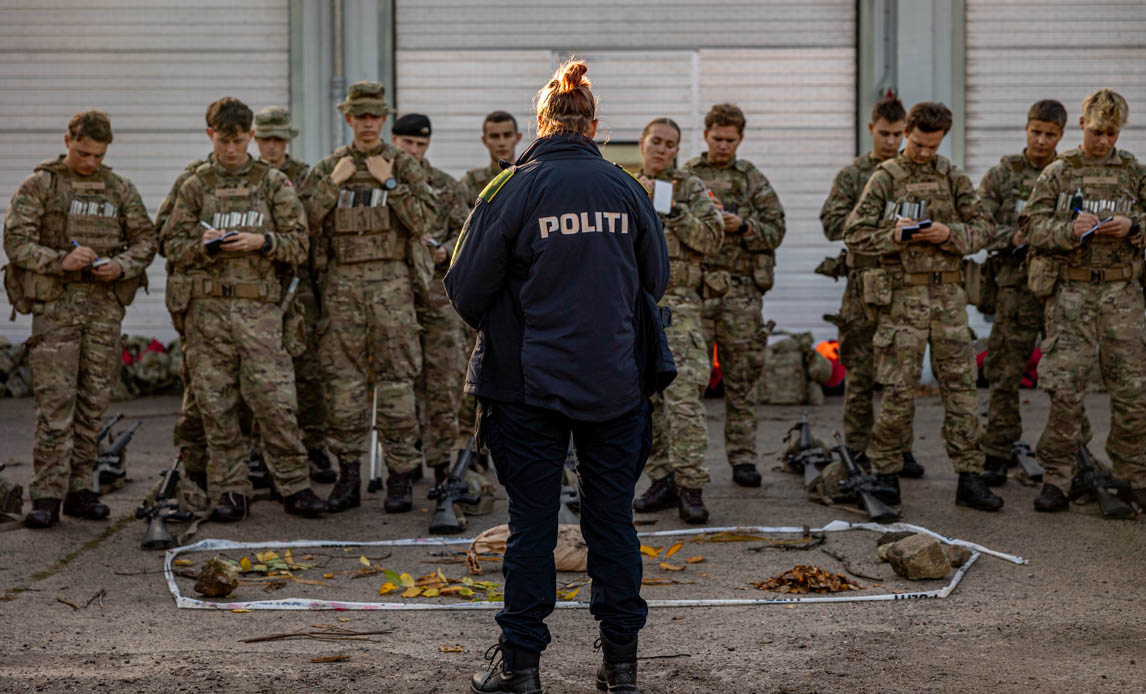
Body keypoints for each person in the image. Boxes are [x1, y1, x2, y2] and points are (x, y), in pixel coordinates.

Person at [445, 60, 668, 694]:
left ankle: (521, 669)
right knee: (613, 524)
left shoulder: (510, 188)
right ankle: (620, 667)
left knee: (533, 525)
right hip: (616, 384)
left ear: (542, 122)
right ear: (594, 125)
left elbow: (464, 288)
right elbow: (656, 281)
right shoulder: (626, 188)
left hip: (526, 389)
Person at [164, 96, 327, 521]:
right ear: (210, 137)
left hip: (260, 313)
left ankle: (294, 484)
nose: (232, 149)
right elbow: (169, 243)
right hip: (208, 312)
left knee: (275, 402)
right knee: (216, 406)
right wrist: (202, 245)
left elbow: (300, 243)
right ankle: (232, 490)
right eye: (223, 141)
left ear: (251, 138)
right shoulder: (195, 185)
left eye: (239, 141)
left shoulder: (273, 182)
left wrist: (262, 242)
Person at [844, 101, 1003, 513]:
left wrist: (949, 233)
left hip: (949, 299)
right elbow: (854, 234)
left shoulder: (952, 177)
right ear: (907, 133)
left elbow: (986, 228)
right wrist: (894, 236)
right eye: (917, 144)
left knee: (962, 390)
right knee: (897, 390)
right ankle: (884, 474)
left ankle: (970, 476)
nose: (923, 153)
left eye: (932, 147)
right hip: (902, 300)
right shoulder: (885, 177)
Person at [4, 111, 156, 528]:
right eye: (83, 153)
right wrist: (60, 260)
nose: (90, 162)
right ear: (68, 139)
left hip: (104, 311)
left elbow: (147, 239)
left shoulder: (119, 188)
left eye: (98, 156)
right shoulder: (42, 186)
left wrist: (122, 266)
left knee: (93, 402)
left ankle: (80, 489)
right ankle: (47, 494)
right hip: (57, 311)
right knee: (55, 405)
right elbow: (16, 241)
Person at [298, 82, 436, 514]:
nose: (369, 123)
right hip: (342, 289)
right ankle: (348, 478)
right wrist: (330, 187)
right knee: (344, 386)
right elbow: (300, 224)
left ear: (384, 119)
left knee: (397, 384)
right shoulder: (328, 168)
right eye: (361, 116)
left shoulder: (401, 166)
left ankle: (399, 479)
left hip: (391, 288)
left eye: (376, 115)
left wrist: (390, 182)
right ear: (349, 119)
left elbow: (423, 222)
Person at [1021, 88, 1146, 513]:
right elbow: (1031, 228)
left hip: (1122, 294)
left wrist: (1133, 226)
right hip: (1071, 292)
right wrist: (1068, 231)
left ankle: (1133, 476)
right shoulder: (1060, 171)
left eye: (1111, 134)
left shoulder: (1133, 171)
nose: (1103, 141)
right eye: (1096, 132)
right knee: (1065, 388)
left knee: (1132, 389)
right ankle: (1059, 477)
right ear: (1081, 125)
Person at [977, 99, 1081, 487]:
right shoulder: (1003, 175)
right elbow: (979, 225)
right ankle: (997, 452)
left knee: (1065, 376)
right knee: (1003, 373)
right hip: (1014, 288)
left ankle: (1072, 455)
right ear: (1026, 128)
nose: (1041, 140)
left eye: (1049, 134)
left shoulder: (1071, 173)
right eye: (1035, 131)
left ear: (1061, 135)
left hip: (1061, 289)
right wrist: (1013, 236)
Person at [819, 97, 925, 479]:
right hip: (863, 285)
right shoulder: (853, 175)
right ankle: (857, 447)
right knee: (860, 372)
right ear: (871, 130)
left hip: (904, 285)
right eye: (884, 133)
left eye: (898, 135)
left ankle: (901, 448)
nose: (891, 142)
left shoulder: (915, 172)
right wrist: (874, 216)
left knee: (902, 374)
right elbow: (831, 224)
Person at [683, 103, 785, 489]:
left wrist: (743, 225)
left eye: (731, 140)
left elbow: (776, 228)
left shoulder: (751, 179)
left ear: (740, 139)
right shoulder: (688, 177)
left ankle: (743, 458)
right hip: (697, 291)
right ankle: (689, 464)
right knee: (690, 382)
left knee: (741, 380)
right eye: (717, 138)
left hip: (740, 294)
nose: (723, 145)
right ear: (706, 135)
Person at [631, 117, 724, 523]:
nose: (662, 150)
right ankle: (662, 478)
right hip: (635, 308)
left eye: (670, 144)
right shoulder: (623, 187)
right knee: (642, 402)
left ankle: (690, 485)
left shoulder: (689, 188)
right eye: (656, 142)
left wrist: (671, 208)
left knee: (684, 399)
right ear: (642, 143)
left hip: (680, 309)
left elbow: (712, 238)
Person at [253, 105, 336, 484]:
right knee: (261, 374)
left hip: (301, 286)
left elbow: (316, 226)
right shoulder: (248, 178)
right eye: (266, 139)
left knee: (308, 371)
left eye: (278, 140)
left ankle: (314, 445)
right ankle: (260, 449)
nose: (272, 147)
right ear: (256, 140)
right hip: (258, 288)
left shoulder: (305, 176)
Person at [390, 112, 471, 483]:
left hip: (438, 296)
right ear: (394, 141)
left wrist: (446, 251)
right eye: (407, 143)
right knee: (399, 383)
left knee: (443, 380)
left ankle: (441, 464)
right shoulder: (381, 186)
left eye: (420, 145)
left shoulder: (445, 186)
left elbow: (469, 237)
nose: (414, 151)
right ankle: (401, 468)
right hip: (392, 296)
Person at [461, 111, 524, 202]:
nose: (501, 143)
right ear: (485, 140)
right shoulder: (472, 181)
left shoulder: (530, 177)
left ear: (517, 138)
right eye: (495, 136)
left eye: (507, 135)